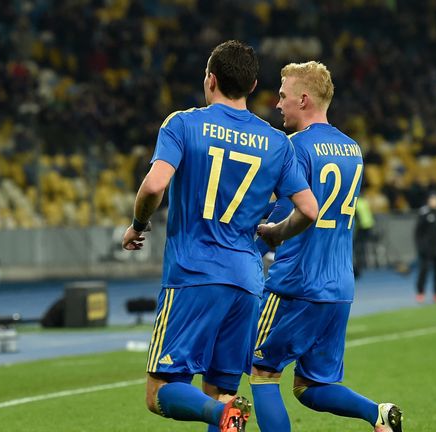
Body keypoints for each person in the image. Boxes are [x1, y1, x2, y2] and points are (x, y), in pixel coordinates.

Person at [122, 40, 318, 432]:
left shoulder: (182, 124)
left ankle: (220, 415)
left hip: (193, 275)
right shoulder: (277, 143)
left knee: (161, 391)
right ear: (253, 85)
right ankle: (223, 411)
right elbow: (310, 209)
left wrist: (138, 226)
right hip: (247, 282)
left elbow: (153, 186)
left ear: (210, 79)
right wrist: (277, 234)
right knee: (222, 391)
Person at [251, 61, 402, 432]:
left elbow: (283, 218)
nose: (277, 104)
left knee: (261, 372)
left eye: (283, 96)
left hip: (296, 283)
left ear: (304, 99)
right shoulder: (353, 150)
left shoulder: (291, 148)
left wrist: (258, 244)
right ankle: (378, 415)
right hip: (339, 286)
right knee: (311, 386)